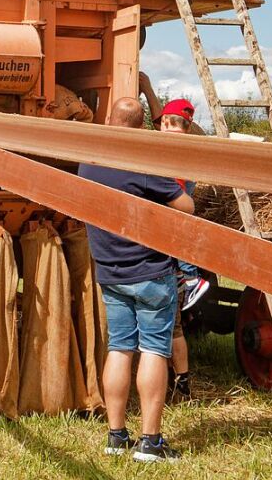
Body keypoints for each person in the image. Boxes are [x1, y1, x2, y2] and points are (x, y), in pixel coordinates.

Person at [78, 97, 192, 463]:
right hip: (151, 273)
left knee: (119, 348)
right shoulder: (143, 165)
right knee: (155, 351)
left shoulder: (89, 163)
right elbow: (186, 208)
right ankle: (151, 442)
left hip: (110, 271)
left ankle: (115, 435)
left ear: (109, 121)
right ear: (142, 128)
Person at [137, 73, 210, 311]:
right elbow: (163, 119)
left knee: (175, 232)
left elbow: (160, 120)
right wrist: (147, 89)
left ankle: (191, 278)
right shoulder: (191, 140)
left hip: (175, 194)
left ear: (167, 123)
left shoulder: (167, 142)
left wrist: (146, 89)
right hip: (185, 189)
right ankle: (184, 274)